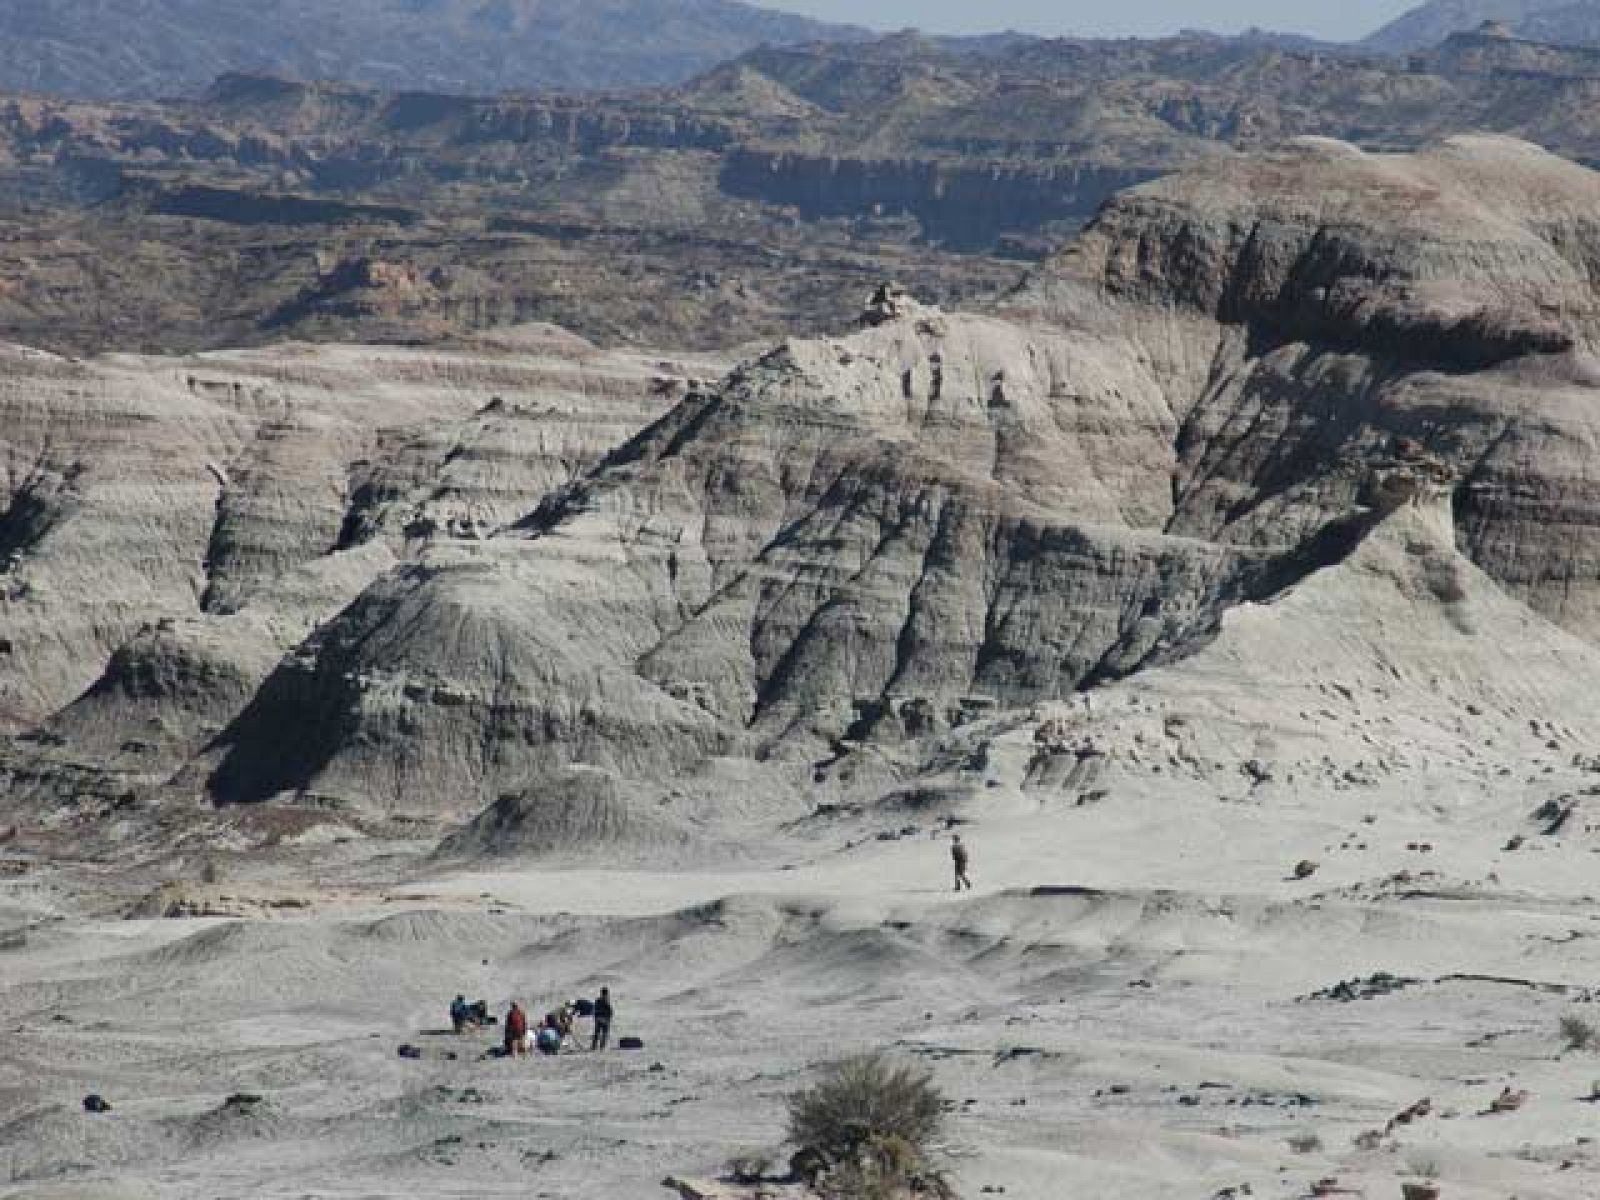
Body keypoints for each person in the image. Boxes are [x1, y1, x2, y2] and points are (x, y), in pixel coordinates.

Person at [591, 986, 613, 1052]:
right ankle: (602, 1047)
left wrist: (595, 1017)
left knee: (596, 1033)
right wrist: (609, 1019)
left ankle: (593, 1046)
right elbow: (610, 1011)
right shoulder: (606, 1001)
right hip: (605, 1019)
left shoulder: (597, 1000)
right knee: (604, 1033)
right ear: (606, 993)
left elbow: (594, 1010)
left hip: (598, 1019)